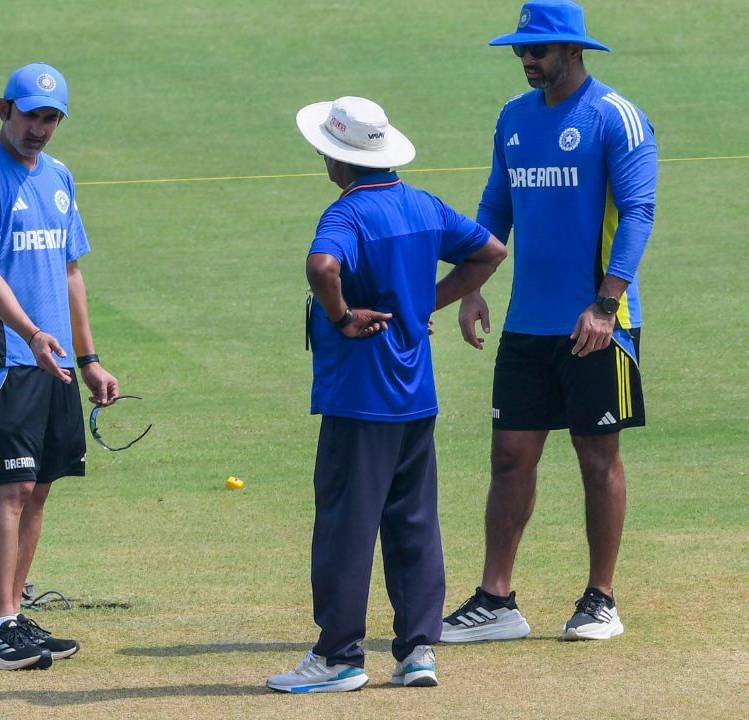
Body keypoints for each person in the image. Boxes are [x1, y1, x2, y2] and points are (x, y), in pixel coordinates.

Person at [266, 96, 507, 693]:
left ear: (337, 156)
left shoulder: (345, 215)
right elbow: (491, 251)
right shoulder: (423, 204)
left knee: (347, 526)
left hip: (358, 397)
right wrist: (428, 302)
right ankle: (418, 652)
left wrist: (343, 315)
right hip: (415, 397)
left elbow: (322, 267)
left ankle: (340, 656)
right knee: (414, 523)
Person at [441, 0, 657, 643]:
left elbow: (639, 212)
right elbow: (493, 208)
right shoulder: (512, 118)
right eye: (521, 52)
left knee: (598, 457)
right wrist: (472, 285)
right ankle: (496, 601)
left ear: (574, 49)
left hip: (597, 323)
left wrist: (605, 305)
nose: (528, 62)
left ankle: (600, 598)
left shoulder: (614, 117)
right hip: (527, 323)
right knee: (509, 457)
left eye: (537, 51)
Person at [0, 62, 120, 671]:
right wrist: (33, 334)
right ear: (4, 110)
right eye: (31, 115)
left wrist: (89, 357)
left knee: (41, 487)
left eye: (51, 118)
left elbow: (71, 270)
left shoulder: (60, 177)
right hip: (4, 357)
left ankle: (13, 615)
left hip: (54, 363)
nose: (41, 129)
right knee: (13, 486)